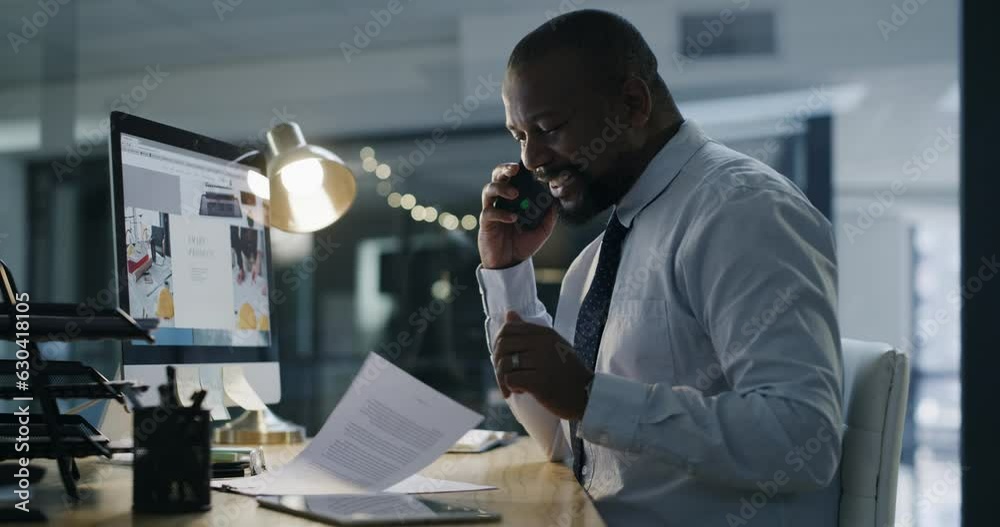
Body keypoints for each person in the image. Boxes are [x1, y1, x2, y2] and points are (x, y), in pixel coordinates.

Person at [476, 10, 843, 526]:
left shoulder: (742, 210)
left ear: (633, 104)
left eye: (550, 128)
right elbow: (566, 444)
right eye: (519, 136)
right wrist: (508, 272)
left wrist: (589, 395)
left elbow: (803, 438)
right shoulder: (601, 256)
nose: (533, 158)